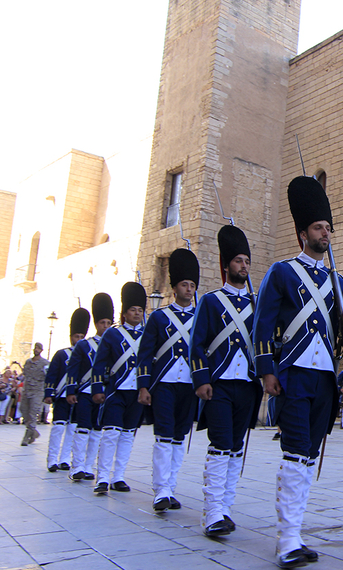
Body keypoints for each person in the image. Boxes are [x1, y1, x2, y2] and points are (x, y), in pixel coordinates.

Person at [254, 176, 343, 568]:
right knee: (296, 451)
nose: (325, 233)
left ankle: (295, 533)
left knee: (308, 454)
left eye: (328, 228)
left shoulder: (339, 283)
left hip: (324, 380)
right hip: (293, 375)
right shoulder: (282, 272)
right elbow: (262, 325)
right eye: (319, 228)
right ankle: (287, 540)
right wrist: (266, 370)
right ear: (303, 234)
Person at [190, 225, 260, 537]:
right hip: (217, 384)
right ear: (226, 265)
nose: (243, 266)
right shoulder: (211, 301)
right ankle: (212, 512)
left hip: (247, 384)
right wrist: (201, 379)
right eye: (238, 261)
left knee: (235, 447)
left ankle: (226, 508)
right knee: (220, 445)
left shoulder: (257, 304)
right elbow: (197, 344)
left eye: (246, 261)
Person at [137, 248, 200, 512]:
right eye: (184, 284)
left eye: (192, 285)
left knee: (179, 437)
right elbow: (145, 353)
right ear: (174, 288)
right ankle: (160, 490)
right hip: (163, 383)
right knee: (164, 435)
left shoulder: (200, 318)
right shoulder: (159, 317)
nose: (189, 289)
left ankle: (170, 488)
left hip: (189, 385)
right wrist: (143, 385)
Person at [91, 282, 146, 494]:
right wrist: (97, 388)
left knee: (127, 435)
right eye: (133, 309)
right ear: (124, 313)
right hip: (116, 391)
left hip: (137, 393)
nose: (137, 313)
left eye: (140, 310)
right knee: (111, 434)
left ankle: (119, 477)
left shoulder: (147, 335)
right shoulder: (112, 335)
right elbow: (100, 363)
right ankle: (102, 478)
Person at [66, 293, 114, 482]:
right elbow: (73, 369)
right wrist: (71, 390)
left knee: (97, 430)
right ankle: (76, 466)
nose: (106, 326)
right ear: (96, 324)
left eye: (109, 323)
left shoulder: (114, 345)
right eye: (102, 322)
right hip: (86, 392)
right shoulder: (84, 345)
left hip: (104, 393)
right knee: (83, 428)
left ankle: (88, 467)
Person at [44, 308, 90, 472]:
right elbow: (52, 375)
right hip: (62, 396)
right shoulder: (61, 354)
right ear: (71, 337)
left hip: (77, 395)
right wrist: (49, 393)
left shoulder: (87, 356)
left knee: (72, 429)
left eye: (81, 337)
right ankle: (52, 459)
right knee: (58, 428)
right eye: (76, 336)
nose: (79, 340)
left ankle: (65, 459)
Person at [20, 343, 49, 445]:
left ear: (41, 350)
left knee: (33, 413)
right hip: (27, 390)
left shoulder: (45, 363)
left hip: (37, 391)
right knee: (23, 411)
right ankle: (33, 432)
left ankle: (26, 436)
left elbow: (48, 376)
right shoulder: (28, 362)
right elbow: (25, 374)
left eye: (38, 348)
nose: (36, 350)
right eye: (35, 348)